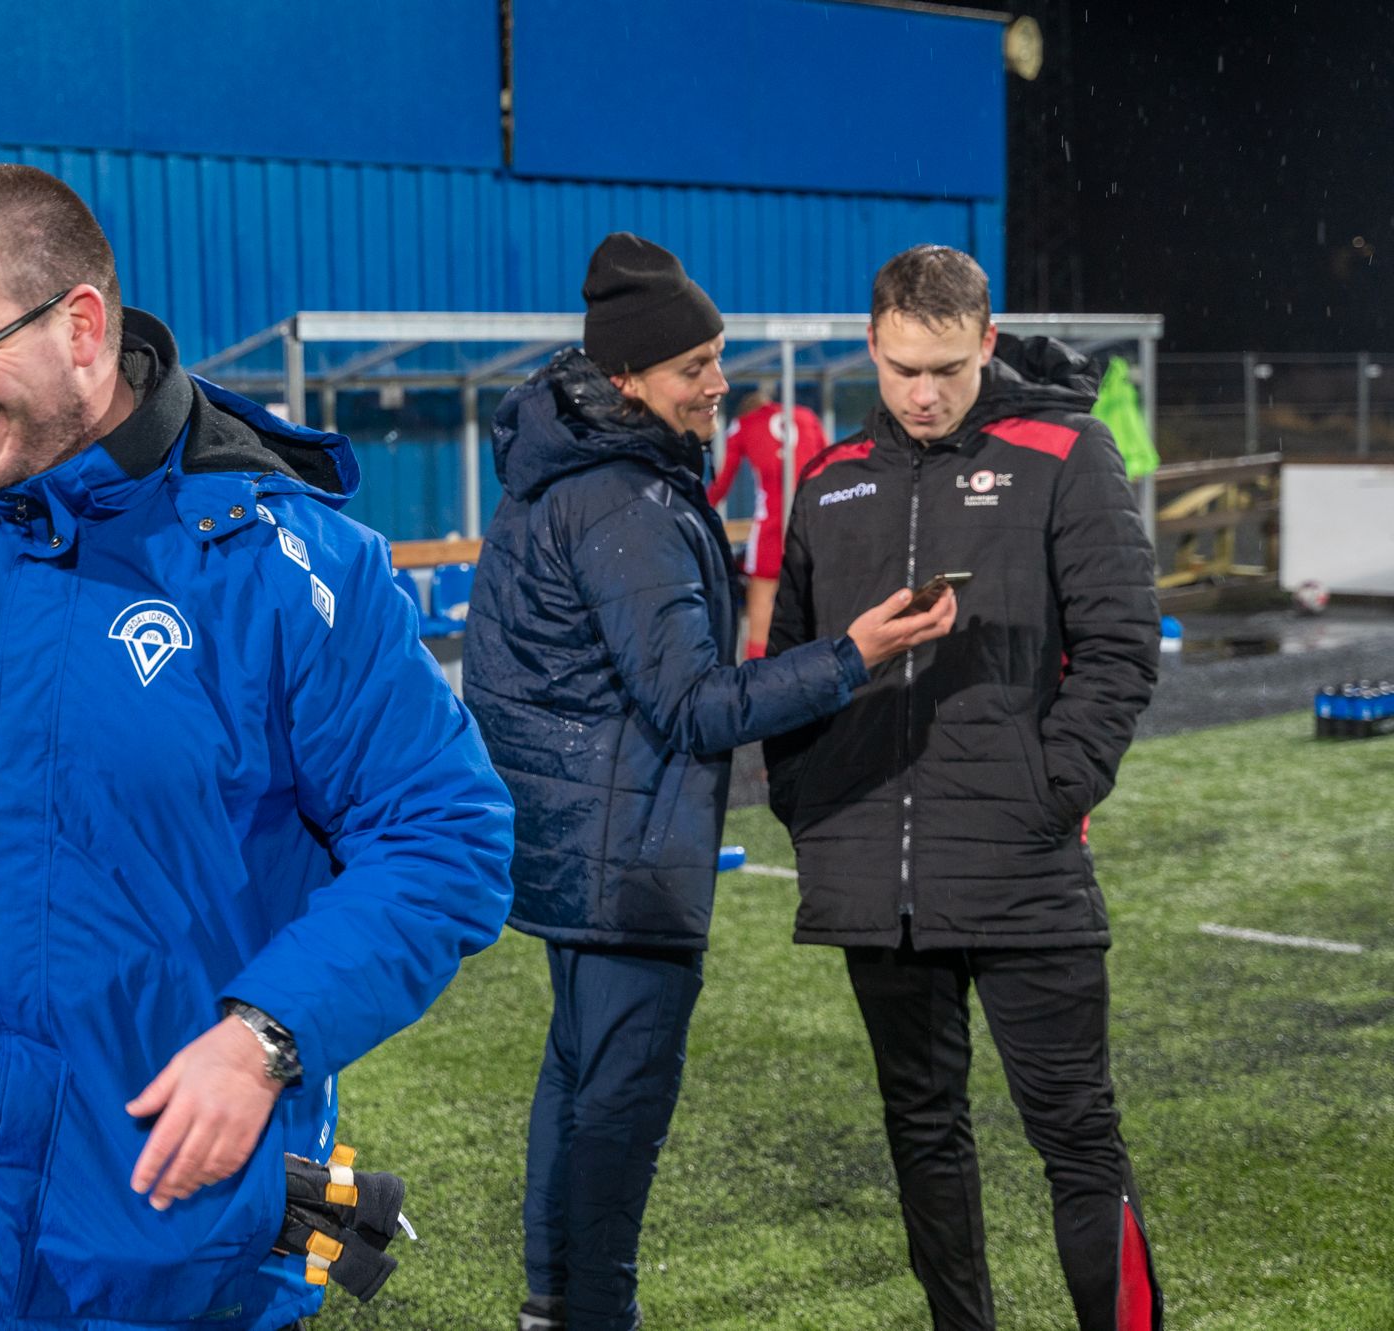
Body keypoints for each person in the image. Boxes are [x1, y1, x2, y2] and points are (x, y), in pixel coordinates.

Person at [0, 163, 513, 1331]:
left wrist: (262, 1036)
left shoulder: (290, 564)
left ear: (81, 324)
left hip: (166, 1239)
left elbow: (445, 839)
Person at [460, 232, 957, 1331]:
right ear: (628, 380)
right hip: (624, 851)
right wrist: (854, 653)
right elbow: (691, 703)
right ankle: (592, 1310)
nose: (717, 381)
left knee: (576, 1083)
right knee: (615, 1109)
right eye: (695, 366)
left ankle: (555, 1304)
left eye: (717, 355)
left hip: (574, 841)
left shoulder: (572, 476)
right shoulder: (621, 504)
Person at [764, 244, 1164, 1331]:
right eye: (901, 369)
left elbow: (1122, 648)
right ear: (870, 348)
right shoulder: (827, 477)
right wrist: (805, 798)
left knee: (1076, 1134)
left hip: (1020, 865)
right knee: (921, 1131)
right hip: (871, 882)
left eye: (944, 365)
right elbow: (789, 662)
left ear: (985, 342)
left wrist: (1048, 790)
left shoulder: (1065, 451)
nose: (924, 392)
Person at [704, 385, 828, 657]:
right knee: (813, 601)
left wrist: (696, 508)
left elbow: (721, 483)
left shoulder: (743, 425)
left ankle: (757, 671)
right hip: (813, 526)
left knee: (761, 604)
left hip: (771, 528)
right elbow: (829, 467)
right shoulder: (807, 417)